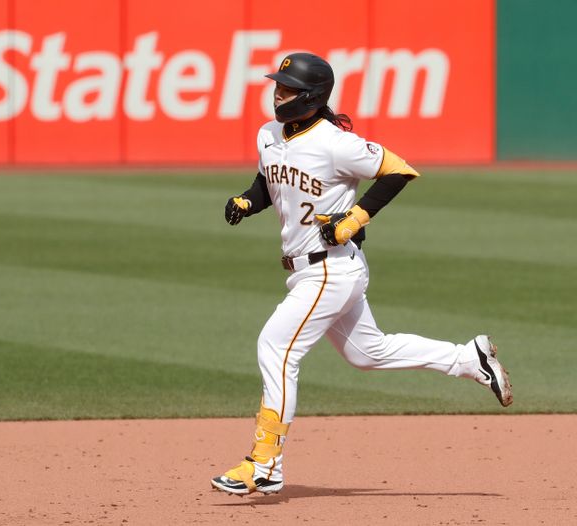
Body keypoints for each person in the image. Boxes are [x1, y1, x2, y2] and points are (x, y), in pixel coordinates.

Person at [210, 53, 513, 496]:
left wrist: (355, 217)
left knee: (275, 347)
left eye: (288, 88)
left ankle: (265, 463)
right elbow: (268, 182)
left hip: (330, 270)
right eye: (278, 85)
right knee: (368, 353)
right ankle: (470, 359)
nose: (279, 93)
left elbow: (399, 170)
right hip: (311, 271)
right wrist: (246, 201)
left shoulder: (337, 143)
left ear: (311, 97)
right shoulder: (269, 134)